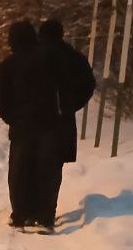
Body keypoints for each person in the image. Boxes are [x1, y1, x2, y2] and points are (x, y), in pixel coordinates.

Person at [0, 20, 60, 230]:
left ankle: (21, 214)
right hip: (48, 123)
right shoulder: (50, 60)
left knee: (19, 171)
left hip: (22, 126)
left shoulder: (7, 66)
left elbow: (2, 101)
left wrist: (12, 118)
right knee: (45, 170)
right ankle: (45, 216)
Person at [38, 18, 97, 167]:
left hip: (33, 125)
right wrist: (69, 105)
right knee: (54, 169)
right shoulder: (74, 57)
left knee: (31, 170)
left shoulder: (32, 56)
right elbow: (88, 85)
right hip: (63, 122)